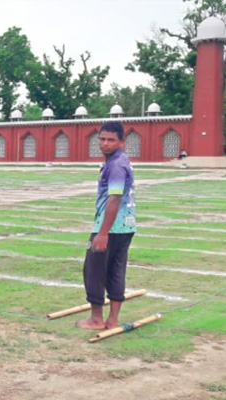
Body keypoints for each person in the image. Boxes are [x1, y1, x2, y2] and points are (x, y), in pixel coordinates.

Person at [76, 121, 136, 331]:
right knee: (115, 271)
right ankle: (113, 320)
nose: (105, 143)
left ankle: (96, 319)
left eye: (111, 140)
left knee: (94, 270)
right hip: (125, 227)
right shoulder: (118, 161)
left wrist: (102, 233)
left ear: (121, 142)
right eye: (102, 139)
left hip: (110, 227)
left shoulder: (117, 166)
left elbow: (114, 199)